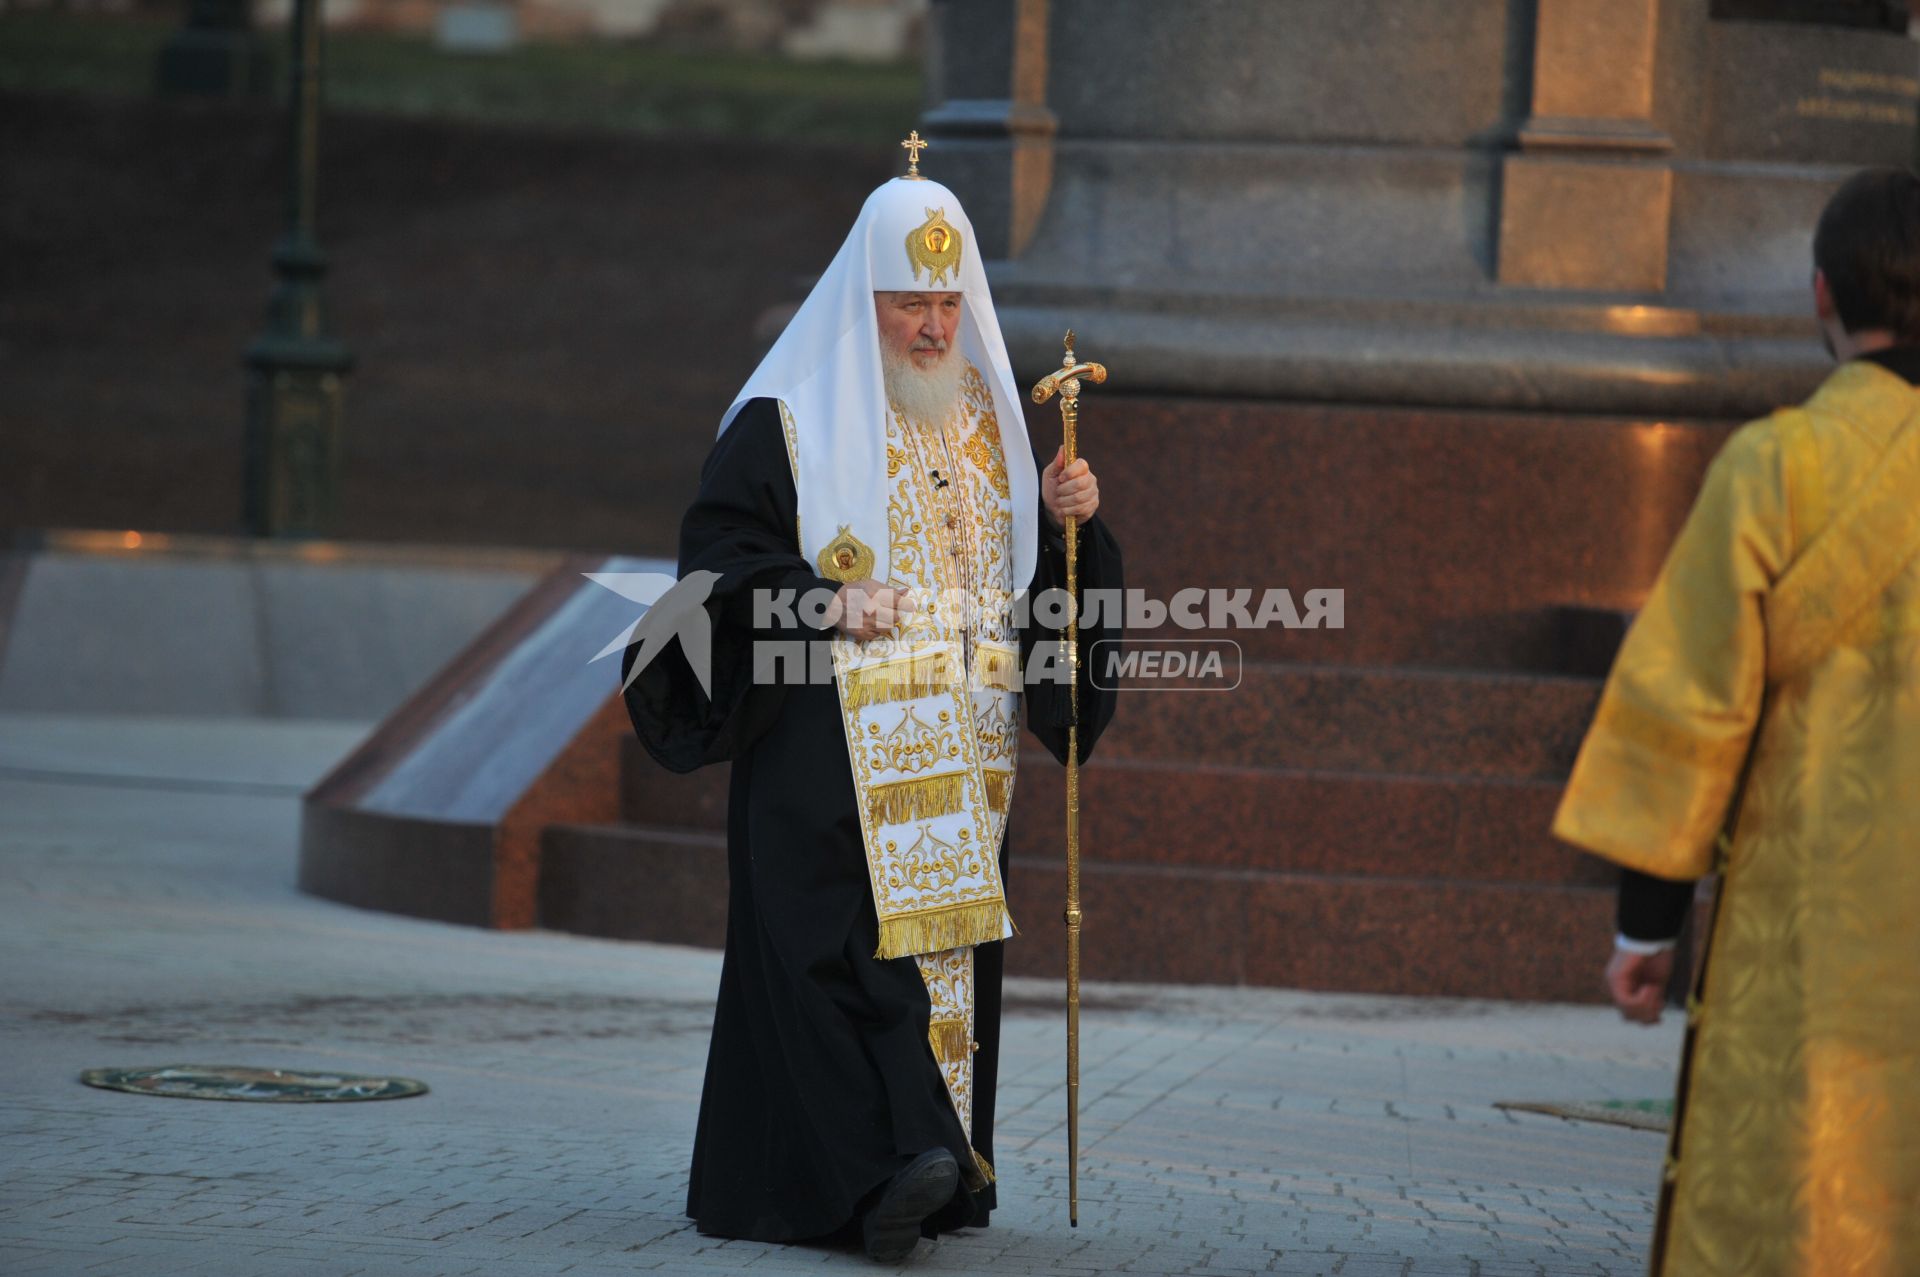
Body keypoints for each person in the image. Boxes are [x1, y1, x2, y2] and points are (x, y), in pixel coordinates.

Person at [621, 154, 1121, 1262]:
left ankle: (924, 1170)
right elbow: (717, 559)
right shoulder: (786, 414)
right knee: (832, 950)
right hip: (823, 735)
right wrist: (820, 600)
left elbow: (1037, 581)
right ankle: (876, 1177)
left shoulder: (996, 415)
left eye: (948, 303)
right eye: (911, 303)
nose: (935, 328)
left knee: (927, 954)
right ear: (867, 297)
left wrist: (1074, 519)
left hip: (963, 750)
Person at [1554, 166, 1920, 1276]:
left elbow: (1689, 699)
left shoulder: (1779, 465)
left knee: (1804, 1194)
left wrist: (1648, 924)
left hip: (1810, 914)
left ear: (1821, 296)